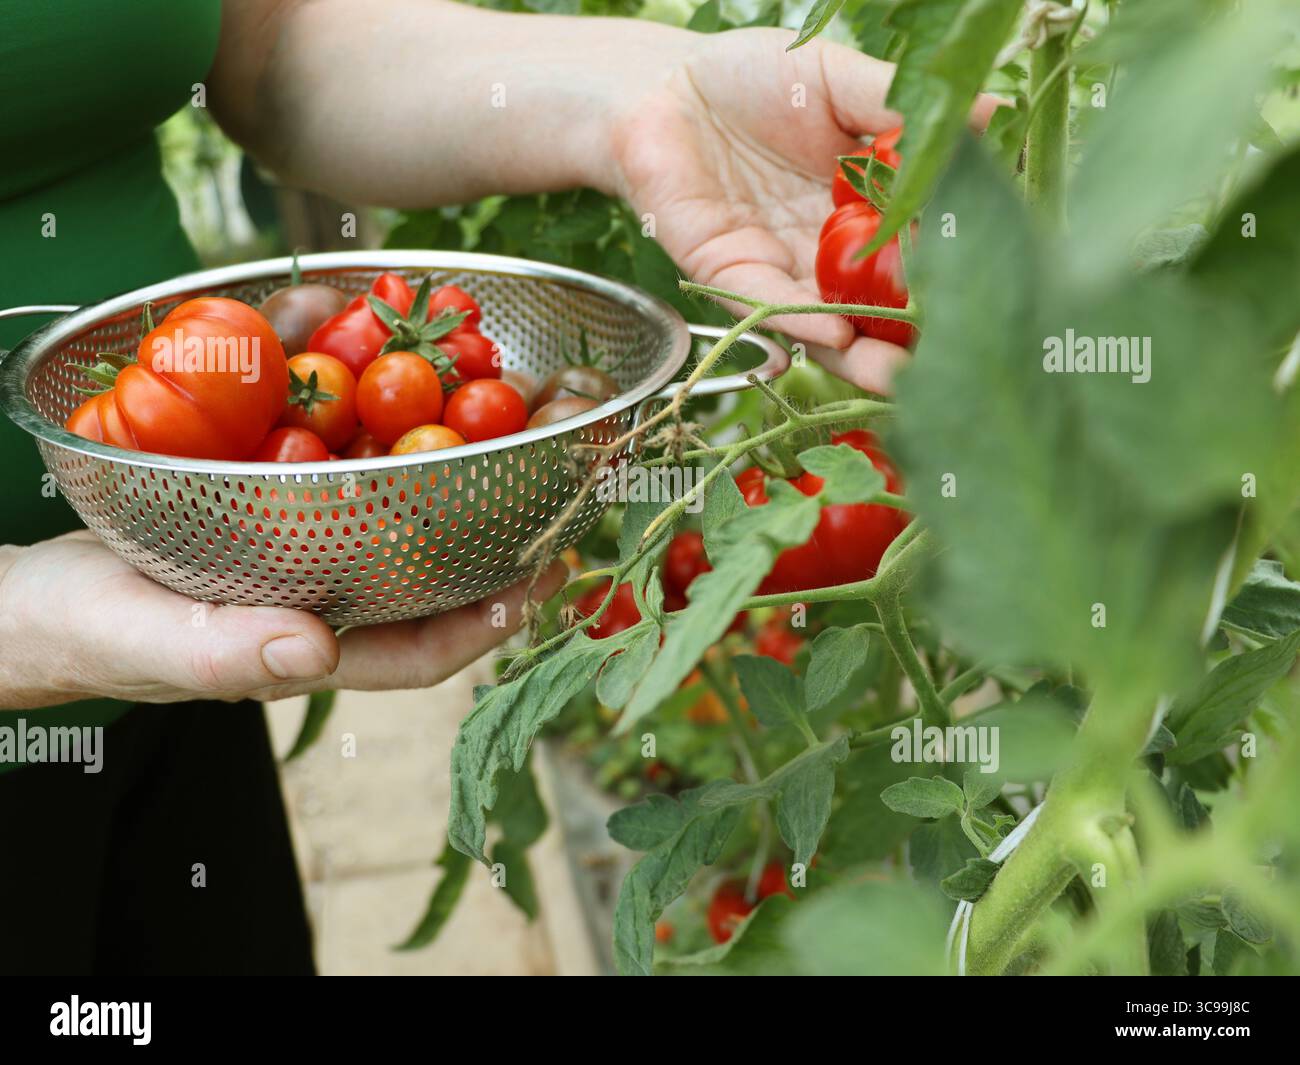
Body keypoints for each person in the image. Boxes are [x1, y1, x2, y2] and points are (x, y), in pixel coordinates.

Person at [0, 0, 937, 973]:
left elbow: (271, 46)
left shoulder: (368, 384)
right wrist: (16, 636)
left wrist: (655, 101)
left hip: (179, 601)